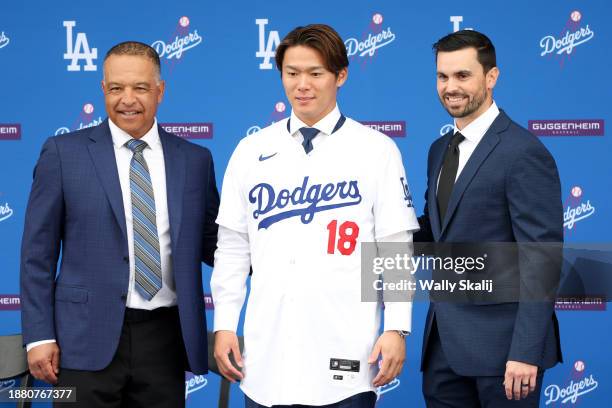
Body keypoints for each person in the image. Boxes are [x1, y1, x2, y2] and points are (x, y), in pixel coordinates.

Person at [211, 24, 420, 408]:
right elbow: (233, 247)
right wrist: (225, 323)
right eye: (292, 73)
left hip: (347, 354)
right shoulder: (251, 149)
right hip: (266, 359)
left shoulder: (376, 150)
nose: (302, 85)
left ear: (340, 75)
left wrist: (396, 328)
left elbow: (394, 247)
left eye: (315, 73)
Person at [20, 41, 219, 407]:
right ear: (103, 89)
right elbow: (37, 255)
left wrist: (285, 255)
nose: (127, 99)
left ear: (160, 90)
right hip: (81, 339)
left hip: (165, 340)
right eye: (116, 88)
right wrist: (38, 335)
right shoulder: (63, 154)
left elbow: (216, 244)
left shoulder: (195, 161)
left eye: (140, 88)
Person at [415, 30, 563, 407]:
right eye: (442, 76)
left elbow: (542, 260)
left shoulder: (523, 152)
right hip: (443, 349)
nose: (451, 87)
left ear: (491, 77)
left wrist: (526, 351)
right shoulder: (439, 150)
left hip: (505, 355)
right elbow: (435, 232)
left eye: (462, 76)